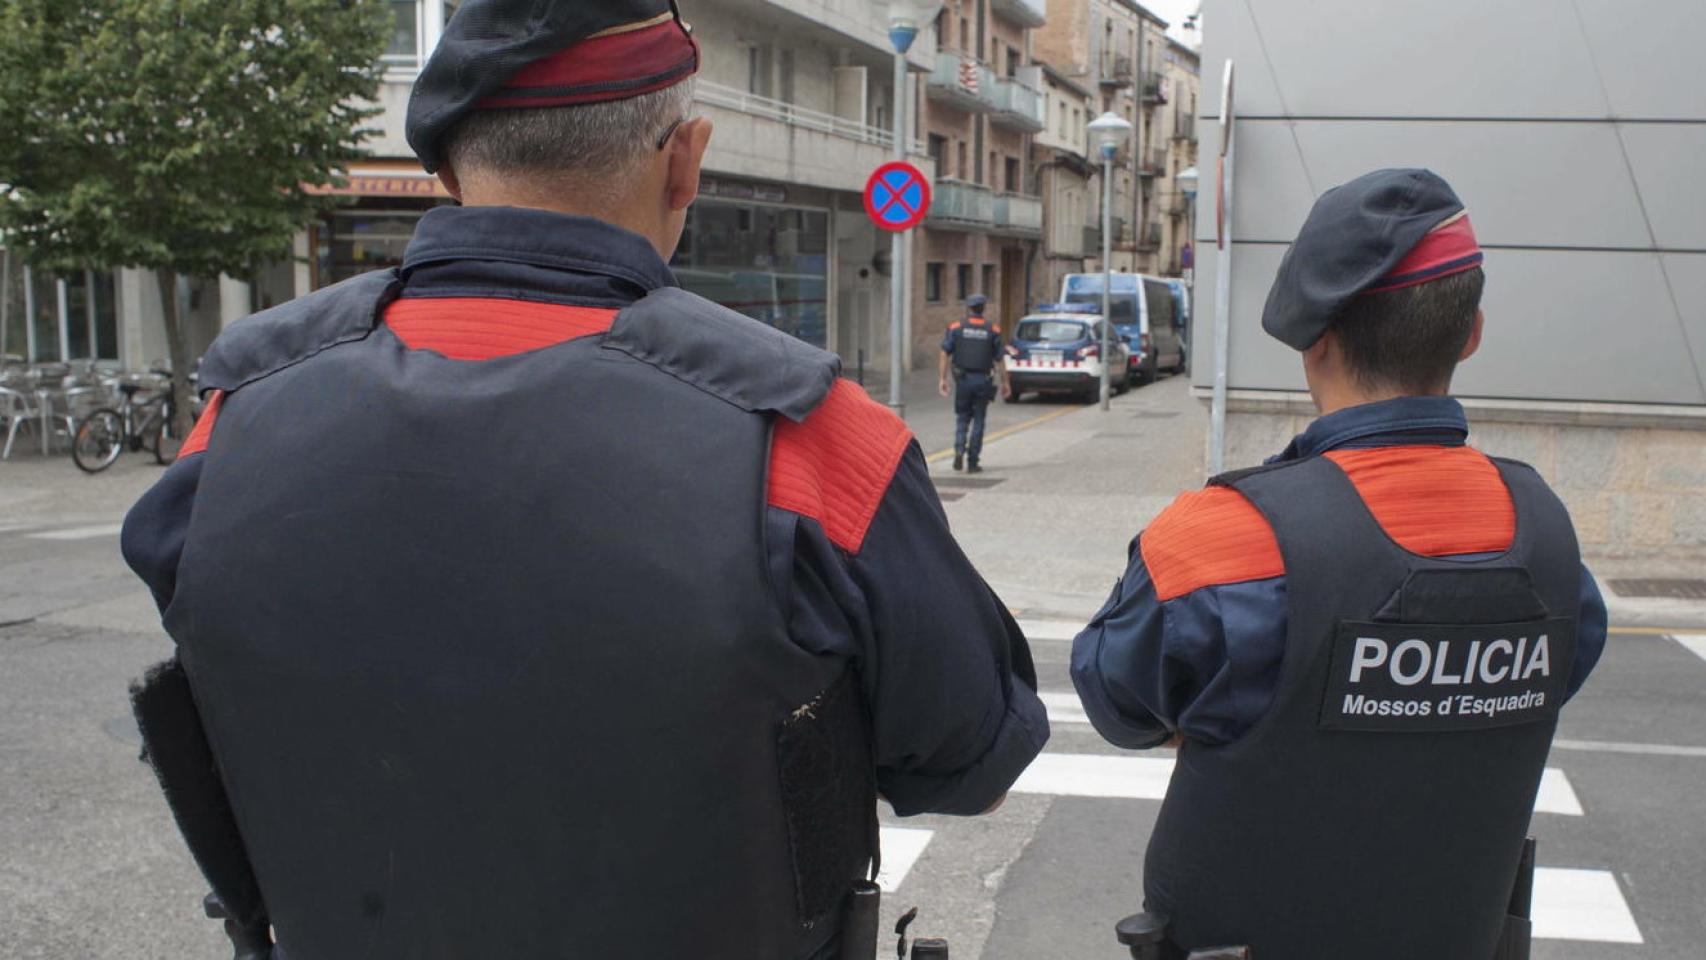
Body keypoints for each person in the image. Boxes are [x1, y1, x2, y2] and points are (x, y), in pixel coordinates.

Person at [120, 3, 1049, 958]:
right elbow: (972, 764)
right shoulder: (815, 441)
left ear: (449, 172)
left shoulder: (235, 421)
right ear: (685, 161)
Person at [1072, 169, 1608, 959]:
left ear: (1315, 339)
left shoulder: (1220, 539)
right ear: (1471, 334)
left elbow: (1118, 705)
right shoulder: (1544, 536)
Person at [938, 294, 1011, 473]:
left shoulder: (956, 328)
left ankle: (959, 449)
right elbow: (1000, 359)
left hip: (963, 380)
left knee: (962, 417)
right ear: (983, 308)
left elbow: (944, 353)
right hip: (983, 380)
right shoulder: (992, 330)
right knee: (979, 420)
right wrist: (1006, 382)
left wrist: (942, 379)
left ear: (969, 308)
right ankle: (972, 462)